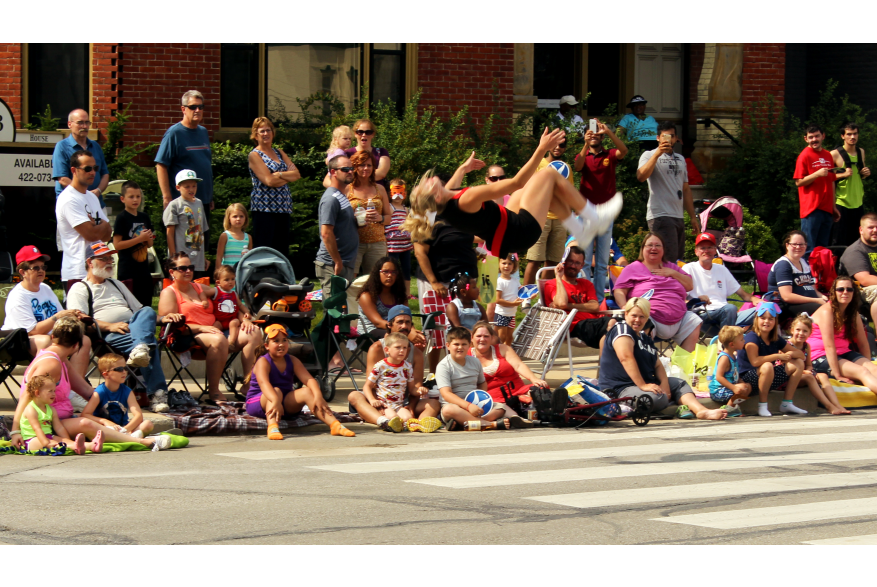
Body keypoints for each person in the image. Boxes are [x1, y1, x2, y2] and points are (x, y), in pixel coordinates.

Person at [403, 128, 621, 261]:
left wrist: (463, 168)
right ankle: (592, 216)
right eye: (427, 185)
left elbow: (450, 187)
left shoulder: (446, 206)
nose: (428, 179)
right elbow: (517, 181)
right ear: (437, 197)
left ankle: (579, 230)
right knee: (547, 175)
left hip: (507, 230)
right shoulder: (466, 198)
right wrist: (541, 148)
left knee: (541, 191)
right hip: (520, 231)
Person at [7, 316, 170, 451]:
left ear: (52, 337)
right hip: (46, 423)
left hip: (61, 420)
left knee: (96, 417)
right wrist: (15, 431)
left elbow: (87, 391)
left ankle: (128, 432)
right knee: (85, 423)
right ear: (77, 344)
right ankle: (140, 441)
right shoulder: (52, 363)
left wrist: (117, 394)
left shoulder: (62, 361)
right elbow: (26, 396)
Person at [67, 242, 181, 413]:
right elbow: (80, 320)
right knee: (149, 341)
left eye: (110, 258)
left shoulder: (116, 284)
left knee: (148, 310)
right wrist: (109, 326)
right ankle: (157, 394)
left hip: (133, 328)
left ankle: (140, 348)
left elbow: (141, 312)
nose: (109, 262)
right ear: (90, 262)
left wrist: (164, 318)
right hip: (106, 335)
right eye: (104, 259)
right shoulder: (80, 288)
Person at [599, 298, 727, 420]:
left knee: (679, 383)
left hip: (647, 383)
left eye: (642, 316)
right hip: (621, 387)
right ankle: (657, 402)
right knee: (654, 398)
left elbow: (658, 365)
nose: (637, 320)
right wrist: (643, 385)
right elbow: (626, 358)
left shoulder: (645, 337)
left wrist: (665, 385)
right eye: (634, 315)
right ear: (626, 314)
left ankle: (701, 411)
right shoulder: (622, 330)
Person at [158, 252, 261, 405]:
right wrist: (201, 328)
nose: (188, 271)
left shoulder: (200, 287)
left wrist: (245, 319)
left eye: (190, 267)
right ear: (172, 272)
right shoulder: (169, 293)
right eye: (183, 268)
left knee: (254, 332)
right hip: (187, 337)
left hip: (216, 331)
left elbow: (229, 303)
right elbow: (170, 325)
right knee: (218, 338)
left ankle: (249, 385)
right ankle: (214, 390)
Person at [247, 324, 356, 439]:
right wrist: (275, 400)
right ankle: (273, 427)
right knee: (276, 391)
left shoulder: (292, 360)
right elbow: (264, 384)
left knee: (307, 391)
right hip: (259, 402)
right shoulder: (263, 361)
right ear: (267, 346)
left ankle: (335, 425)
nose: (281, 344)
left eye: (284, 340)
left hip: (284, 403)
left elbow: (309, 379)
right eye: (276, 341)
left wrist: (318, 396)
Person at [1, 246, 91, 377]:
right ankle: (49, 386)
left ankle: (73, 389)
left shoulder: (45, 288)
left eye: (43, 267)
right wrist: (56, 317)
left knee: (84, 340)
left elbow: (62, 317)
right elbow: (32, 331)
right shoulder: (18, 296)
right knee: (46, 341)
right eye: (35, 268)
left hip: (50, 337)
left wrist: (72, 315)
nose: (41, 271)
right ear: (22, 272)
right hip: (18, 342)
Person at [413, 196, 478, 372]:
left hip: (463, 282)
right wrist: (434, 282)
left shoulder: (464, 219)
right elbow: (420, 253)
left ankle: (460, 371)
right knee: (437, 332)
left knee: (465, 326)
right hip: (438, 283)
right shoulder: (430, 221)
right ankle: (434, 374)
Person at [351, 305, 441, 430]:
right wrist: (378, 404)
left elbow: (416, 385)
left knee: (434, 403)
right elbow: (370, 385)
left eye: (407, 322)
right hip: (380, 399)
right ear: (389, 325)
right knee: (354, 396)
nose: (404, 326)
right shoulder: (377, 348)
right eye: (400, 322)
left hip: (402, 402)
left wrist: (411, 405)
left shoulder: (416, 353)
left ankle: (420, 424)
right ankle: (382, 421)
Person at [613, 233, 702, 352]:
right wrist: (625, 307)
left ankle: (682, 366)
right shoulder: (632, 268)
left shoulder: (672, 267)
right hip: (650, 317)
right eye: (649, 245)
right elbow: (619, 290)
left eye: (658, 245)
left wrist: (672, 273)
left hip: (679, 318)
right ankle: (645, 364)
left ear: (663, 249)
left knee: (694, 321)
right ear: (643, 249)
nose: (653, 248)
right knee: (643, 320)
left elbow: (689, 285)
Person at [575, 120, 628, 302]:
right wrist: (585, 143)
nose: (594, 136)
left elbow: (624, 151)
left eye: (598, 133)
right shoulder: (582, 154)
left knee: (602, 263)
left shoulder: (610, 154)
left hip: (605, 213)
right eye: (591, 133)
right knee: (585, 261)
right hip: (586, 212)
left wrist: (610, 131)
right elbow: (578, 166)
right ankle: (585, 298)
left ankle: (598, 300)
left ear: (603, 136)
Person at [436, 327, 526, 431]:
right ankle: (490, 424)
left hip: (475, 405)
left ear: (470, 345)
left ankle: (466, 423)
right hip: (456, 406)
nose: (460, 347)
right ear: (448, 346)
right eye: (456, 344)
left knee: (501, 407)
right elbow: (446, 394)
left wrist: (481, 401)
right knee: (448, 410)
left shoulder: (475, 362)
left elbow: (482, 383)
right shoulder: (443, 366)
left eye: (464, 344)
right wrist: (468, 406)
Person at [636, 121, 699, 263]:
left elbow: (686, 189)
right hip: (660, 214)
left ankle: (674, 285)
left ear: (676, 138)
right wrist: (658, 153)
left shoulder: (681, 159)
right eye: (665, 137)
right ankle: (665, 285)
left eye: (671, 136)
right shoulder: (649, 155)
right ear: (658, 138)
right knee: (668, 259)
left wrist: (692, 217)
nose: (668, 140)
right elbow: (641, 176)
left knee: (678, 259)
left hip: (678, 215)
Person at [808, 276, 877, 401]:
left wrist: (867, 362)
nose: (845, 292)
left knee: (873, 369)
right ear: (834, 292)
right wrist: (837, 374)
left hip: (843, 351)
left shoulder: (852, 312)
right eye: (840, 289)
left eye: (849, 289)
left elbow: (862, 343)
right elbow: (829, 346)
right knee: (862, 372)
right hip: (820, 355)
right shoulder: (827, 311)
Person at [737, 302, 808, 417]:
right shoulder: (752, 337)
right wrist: (778, 356)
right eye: (763, 318)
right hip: (747, 379)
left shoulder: (775, 338)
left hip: (767, 377)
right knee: (767, 365)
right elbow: (755, 361)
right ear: (756, 319)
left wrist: (790, 354)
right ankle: (763, 405)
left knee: (798, 363)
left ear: (775, 321)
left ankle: (787, 403)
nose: (766, 321)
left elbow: (800, 355)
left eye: (771, 319)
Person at [55, 150, 111, 290]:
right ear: (73, 170)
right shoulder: (68, 199)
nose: (92, 172)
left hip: (97, 270)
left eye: (95, 168)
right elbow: (90, 235)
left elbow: (108, 233)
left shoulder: (92, 197)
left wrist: (95, 225)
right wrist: (100, 226)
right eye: (87, 169)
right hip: (77, 272)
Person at [523, 138, 575, 288]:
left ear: (565, 148)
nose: (558, 147)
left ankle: (542, 297)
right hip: (540, 217)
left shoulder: (567, 167)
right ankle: (526, 299)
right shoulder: (539, 164)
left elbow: (568, 192)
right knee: (534, 259)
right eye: (555, 144)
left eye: (562, 145)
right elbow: (528, 187)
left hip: (560, 219)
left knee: (553, 262)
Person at [544, 245, 616, 349]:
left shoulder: (586, 284)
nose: (573, 266)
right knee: (612, 325)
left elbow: (595, 307)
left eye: (577, 263)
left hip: (594, 325)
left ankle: (606, 362)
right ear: (564, 262)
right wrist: (558, 278)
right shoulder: (552, 284)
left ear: (582, 265)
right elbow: (561, 303)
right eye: (570, 262)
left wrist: (568, 306)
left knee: (620, 324)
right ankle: (607, 363)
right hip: (572, 326)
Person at [247, 117, 299, 256]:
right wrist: (286, 176)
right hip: (264, 208)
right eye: (262, 131)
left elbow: (297, 174)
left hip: (283, 207)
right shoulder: (254, 155)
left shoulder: (279, 152)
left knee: (281, 250)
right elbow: (269, 181)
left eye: (268, 130)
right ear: (255, 135)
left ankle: (280, 278)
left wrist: (279, 175)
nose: (266, 134)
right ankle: (263, 277)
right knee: (265, 249)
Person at [682, 232, 755, 332]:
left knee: (767, 310)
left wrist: (760, 301)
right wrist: (695, 301)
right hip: (702, 315)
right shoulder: (689, 269)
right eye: (702, 248)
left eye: (710, 247)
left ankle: (760, 345)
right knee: (730, 309)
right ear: (696, 252)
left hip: (727, 315)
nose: (706, 251)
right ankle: (727, 344)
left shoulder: (721, 269)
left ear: (715, 251)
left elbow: (743, 294)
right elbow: (681, 298)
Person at [156, 90, 213, 212]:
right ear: (183, 109)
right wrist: (167, 197)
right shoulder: (174, 133)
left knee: (202, 232)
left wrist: (210, 196)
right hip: (183, 203)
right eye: (193, 107)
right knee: (186, 232)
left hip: (203, 201)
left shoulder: (203, 132)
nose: (197, 110)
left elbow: (205, 165)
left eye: (200, 107)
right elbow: (161, 165)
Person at [19, 375, 103, 455]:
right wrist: (46, 443)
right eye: (50, 391)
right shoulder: (31, 409)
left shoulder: (51, 409)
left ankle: (91, 445)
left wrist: (67, 440)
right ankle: (79, 446)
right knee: (55, 444)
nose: (54, 394)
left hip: (48, 436)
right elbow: (37, 429)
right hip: (32, 440)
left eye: (54, 391)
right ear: (37, 393)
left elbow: (59, 428)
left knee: (62, 441)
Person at [470, 321, 547, 404]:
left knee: (540, 390)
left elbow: (518, 365)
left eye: (486, 336)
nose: (482, 339)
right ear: (472, 338)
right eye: (478, 336)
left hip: (517, 390)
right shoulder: (467, 356)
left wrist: (533, 378)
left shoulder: (502, 349)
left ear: (492, 338)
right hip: (491, 398)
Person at [314, 156, 357, 302]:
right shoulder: (330, 198)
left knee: (343, 309)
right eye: (345, 169)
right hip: (331, 264)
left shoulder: (341, 196)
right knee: (334, 310)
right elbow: (326, 233)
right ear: (333, 172)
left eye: (351, 168)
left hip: (344, 262)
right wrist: (337, 261)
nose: (350, 172)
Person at [788, 313, 850, 415]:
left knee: (823, 376)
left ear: (810, 333)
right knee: (810, 378)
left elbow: (809, 364)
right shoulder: (787, 345)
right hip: (790, 377)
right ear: (792, 330)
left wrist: (809, 370)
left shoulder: (806, 346)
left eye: (805, 331)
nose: (801, 333)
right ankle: (829, 407)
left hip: (802, 374)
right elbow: (786, 366)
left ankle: (837, 405)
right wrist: (804, 372)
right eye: (798, 330)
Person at [82, 353, 156, 438]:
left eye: (125, 368)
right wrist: (104, 421)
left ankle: (124, 437)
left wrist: (125, 429)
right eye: (119, 369)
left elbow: (138, 415)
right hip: (104, 428)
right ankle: (131, 437)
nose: (124, 372)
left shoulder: (127, 391)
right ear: (106, 374)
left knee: (148, 424)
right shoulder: (100, 391)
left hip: (123, 428)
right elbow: (85, 414)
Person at [362, 332, 422, 433]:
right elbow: (367, 386)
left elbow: (412, 389)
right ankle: (395, 424)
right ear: (387, 350)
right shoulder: (380, 366)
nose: (402, 350)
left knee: (408, 417)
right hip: (384, 405)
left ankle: (413, 425)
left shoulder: (407, 366)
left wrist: (419, 391)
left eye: (404, 347)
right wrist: (372, 400)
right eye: (398, 347)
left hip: (398, 405)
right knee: (393, 417)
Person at [357, 257, 424, 344]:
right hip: (370, 331)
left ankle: (412, 357)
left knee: (420, 338)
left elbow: (407, 316)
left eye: (394, 272)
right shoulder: (367, 295)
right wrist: (404, 331)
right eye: (385, 271)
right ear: (377, 273)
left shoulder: (400, 295)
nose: (390, 275)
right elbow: (377, 322)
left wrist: (412, 330)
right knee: (398, 337)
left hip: (397, 328)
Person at [794, 124, 840, 253]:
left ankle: (820, 274)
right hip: (811, 209)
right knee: (808, 247)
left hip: (826, 208)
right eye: (811, 137)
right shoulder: (804, 156)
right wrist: (816, 174)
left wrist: (833, 206)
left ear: (823, 136)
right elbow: (799, 182)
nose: (814, 139)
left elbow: (831, 180)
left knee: (823, 248)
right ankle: (808, 273)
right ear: (806, 139)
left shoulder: (827, 155)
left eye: (817, 136)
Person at [52, 109, 108, 209]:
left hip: (97, 203)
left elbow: (105, 174)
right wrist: (86, 195)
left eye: (87, 122)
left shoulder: (95, 146)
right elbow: (62, 179)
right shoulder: (62, 147)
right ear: (70, 124)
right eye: (80, 123)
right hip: (73, 204)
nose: (84, 126)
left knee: (104, 225)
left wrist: (98, 191)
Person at [112, 181, 156, 308]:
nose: (135, 200)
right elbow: (117, 245)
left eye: (138, 196)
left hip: (144, 270)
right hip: (128, 271)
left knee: (146, 305)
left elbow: (150, 243)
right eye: (131, 197)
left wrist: (147, 238)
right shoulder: (122, 218)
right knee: (130, 306)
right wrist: (138, 238)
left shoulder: (144, 217)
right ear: (123, 199)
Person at [767, 230, 827, 323]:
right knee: (824, 310)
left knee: (836, 306)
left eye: (801, 244)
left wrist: (823, 297)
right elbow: (787, 296)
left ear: (806, 246)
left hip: (808, 302)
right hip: (786, 306)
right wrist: (816, 301)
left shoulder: (804, 263)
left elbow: (813, 289)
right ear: (787, 245)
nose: (798, 247)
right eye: (794, 244)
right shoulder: (783, 265)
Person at [348, 150, 392, 275]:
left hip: (377, 242)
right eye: (362, 165)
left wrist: (379, 218)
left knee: (375, 281)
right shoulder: (348, 188)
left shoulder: (380, 188)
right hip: (354, 242)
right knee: (350, 281)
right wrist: (356, 219)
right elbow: (340, 217)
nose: (366, 168)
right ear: (355, 167)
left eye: (369, 165)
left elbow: (389, 217)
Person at [163, 169, 209, 278]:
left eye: (194, 186)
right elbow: (170, 233)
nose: (191, 189)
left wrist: (204, 257)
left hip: (197, 259)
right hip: (181, 261)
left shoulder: (199, 203)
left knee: (196, 290)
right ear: (178, 187)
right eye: (187, 186)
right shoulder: (174, 205)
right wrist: (174, 258)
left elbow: (202, 231)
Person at [832, 123, 871, 247]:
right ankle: (838, 265)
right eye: (849, 134)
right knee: (839, 240)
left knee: (857, 240)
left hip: (858, 202)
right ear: (843, 136)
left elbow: (859, 175)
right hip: (841, 202)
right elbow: (827, 178)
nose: (852, 137)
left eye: (855, 134)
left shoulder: (861, 152)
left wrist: (864, 173)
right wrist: (842, 175)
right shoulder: (834, 154)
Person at [840, 213, 877, 327]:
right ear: (861, 230)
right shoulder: (855, 251)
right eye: (871, 227)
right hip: (859, 290)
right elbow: (865, 279)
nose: (875, 230)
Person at [708, 326, 751, 417]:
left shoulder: (733, 356)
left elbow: (734, 374)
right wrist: (733, 388)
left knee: (748, 387)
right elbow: (719, 377)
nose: (744, 341)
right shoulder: (724, 358)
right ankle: (728, 409)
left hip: (727, 389)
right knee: (743, 388)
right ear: (732, 344)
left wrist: (740, 381)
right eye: (741, 340)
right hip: (718, 391)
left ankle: (733, 408)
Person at [343, 118, 392, 192]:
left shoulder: (381, 152)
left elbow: (382, 173)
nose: (364, 135)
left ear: (373, 134)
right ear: (355, 134)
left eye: (368, 132)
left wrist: (354, 176)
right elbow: (333, 177)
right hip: (353, 195)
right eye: (360, 132)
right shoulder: (346, 154)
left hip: (377, 195)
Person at [385, 179, 414, 295]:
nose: (397, 196)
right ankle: (391, 291)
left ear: (405, 193)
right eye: (394, 192)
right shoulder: (389, 207)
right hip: (393, 246)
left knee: (407, 269)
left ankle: (407, 293)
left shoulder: (406, 209)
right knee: (392, 268)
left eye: (400, 192)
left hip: (405, 245)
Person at [212, 265, 246, 348]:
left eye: (232, 279)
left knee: (234, 323)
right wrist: (204, 300)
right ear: (218, 282)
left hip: (232, 318)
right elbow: (203, 292)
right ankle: (216, 342)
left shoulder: (234, 293)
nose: (231, 282)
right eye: (227, 280)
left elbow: (240, 305)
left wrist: (247, 312)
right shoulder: (216, 291)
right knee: (215, 326)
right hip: (220, 320)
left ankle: (231, 342)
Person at [495, 254, 522, 344]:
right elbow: (498, 300)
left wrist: (530, 295)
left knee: (509, 338)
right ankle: (498, 354)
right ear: (498, 264)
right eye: (504, 263)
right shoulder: (499, 281)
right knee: (501, 338)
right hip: (501, 314)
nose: (506, 266)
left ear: (514, 266)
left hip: (512, 314)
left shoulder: (515, 281)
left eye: (510, 263)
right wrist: (513, 304)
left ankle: (507, 355)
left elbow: (522, 292)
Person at [216, 203, 253, 268]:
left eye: (241, 216)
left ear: (246, 218)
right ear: (229, 218)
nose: (238, 219)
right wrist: (218, 274)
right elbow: (219, 257)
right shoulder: (225, 236)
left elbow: (250, 258)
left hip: (242, 273)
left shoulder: (248, 237)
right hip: (228, 274)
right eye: (235, 216)